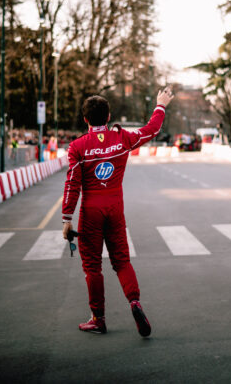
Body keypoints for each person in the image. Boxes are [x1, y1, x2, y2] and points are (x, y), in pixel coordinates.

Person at [62, 87, 174, 336]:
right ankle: (134, 301)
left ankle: (98, 318)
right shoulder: (121, 139)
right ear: (109, 116)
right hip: (115, 208)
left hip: (90, 212)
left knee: (92, 266)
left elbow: (72, 183)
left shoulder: (77, 147)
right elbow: (151, 130)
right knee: (121, 261)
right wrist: (160, 104)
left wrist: (66, 218)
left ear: (85, 119)